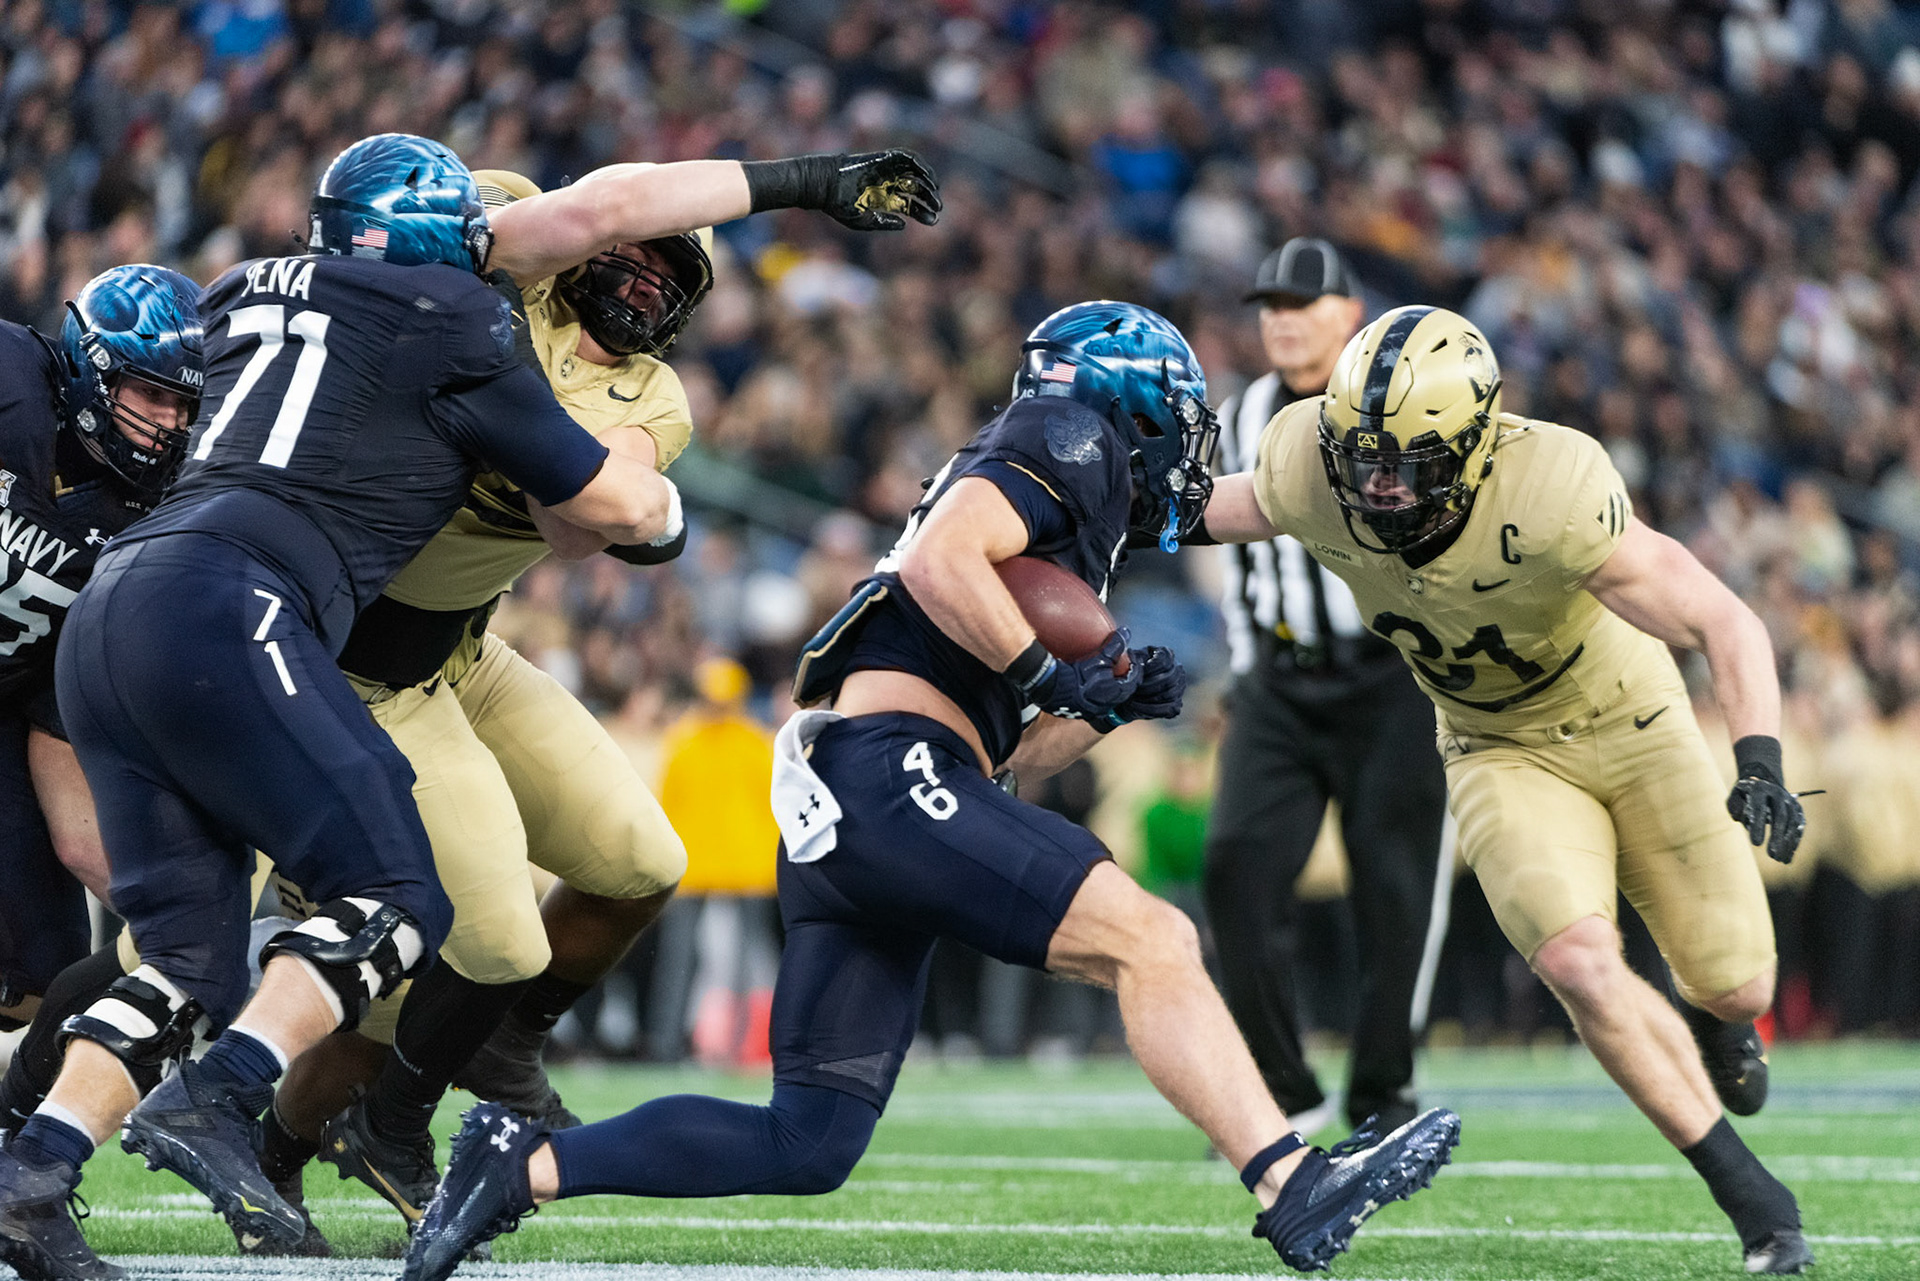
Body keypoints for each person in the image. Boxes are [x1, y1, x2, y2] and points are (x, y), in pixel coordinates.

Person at [0, 132, 940, 1281]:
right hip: (271, 624)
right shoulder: (463, 319)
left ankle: (30, 1171)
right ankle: (228, 1093)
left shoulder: (248, 286)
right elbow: (603, 499)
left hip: (142, 598)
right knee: (400, 897)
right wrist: (665, 511)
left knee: (189, 956)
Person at [400, 301, 1460, 1281]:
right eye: (1175, 420)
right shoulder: (1069, 433)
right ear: (1129, 403)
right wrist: (1050, 670)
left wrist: (1100, 701)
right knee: (1154, 939)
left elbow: (1013, 760)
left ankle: (518, 1166)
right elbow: (942, 561)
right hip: (888, 773)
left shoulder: (1065, 498)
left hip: (874, 795)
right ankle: (1290, 1179)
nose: (1185, 446)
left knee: (807, 1138)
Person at [1201, 304, 1812, 1274]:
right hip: (1494, 743)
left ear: (1477, 446)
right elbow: (1192, 509)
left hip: (1630, 716)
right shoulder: (1308, 465)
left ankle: (1719, 1019)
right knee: (1577, 960)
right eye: (1364, 457)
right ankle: (1754, 1200)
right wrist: (1052, 502)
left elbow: (1722, 619)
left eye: (1411, 463)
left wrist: (1761, 757)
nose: (1381, 486)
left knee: (1741, 982)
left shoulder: (1553, 487)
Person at [252, 170, 718, 1249]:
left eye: (672, 271)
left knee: (640, 862)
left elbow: (576, 527)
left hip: (456, 651)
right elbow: (435, 220)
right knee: (431, 969)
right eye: (637, 250)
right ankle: (276, 1149)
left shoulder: (652, 395)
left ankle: (500, 1043)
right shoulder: (507, 272)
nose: (645, 283)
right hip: (331, 646)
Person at [1207, 239, 1449, 1135]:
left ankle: (1383, 1090)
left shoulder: (1404, 404)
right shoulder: (1239, 415)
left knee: (1394, 886)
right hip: (1280, 677)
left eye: (1300, 304)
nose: (1281, 320)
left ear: (1349, 315)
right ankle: (1281, 1086)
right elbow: (1234, 561)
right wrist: (1245, 669)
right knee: (1236, 865)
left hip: (1392, 676)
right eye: (1270, 305)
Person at [0, 263, 203, 1055]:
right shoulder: (13, 383)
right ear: (92, 369)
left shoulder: (155, 528)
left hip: (10, 701)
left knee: (38, 976)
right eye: (152, 394)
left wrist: (187, 923)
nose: (169, 424)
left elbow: (58, 735)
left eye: (185, 405)